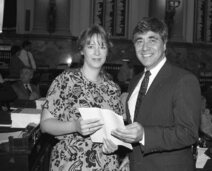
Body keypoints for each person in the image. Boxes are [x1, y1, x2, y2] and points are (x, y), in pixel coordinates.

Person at [111, 17, 201, 171]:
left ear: (164, 44)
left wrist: (145, 135)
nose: (145, 47)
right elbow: (137, 126)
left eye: (152, 40)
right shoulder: (135, 81)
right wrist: (130, 158)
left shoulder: (184, 80)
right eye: (139, 41)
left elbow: (189, 133)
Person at [40, 24, 125, 170]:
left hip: (105, 163)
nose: (97, 52)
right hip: (70, 161)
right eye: (91, 46)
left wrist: (114, 145)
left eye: (102, 46)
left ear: (107, 52)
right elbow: (45, 125)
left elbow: (116, 133)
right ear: (82, 50)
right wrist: (74, 126)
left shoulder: (113, 88)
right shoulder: (66, 80)